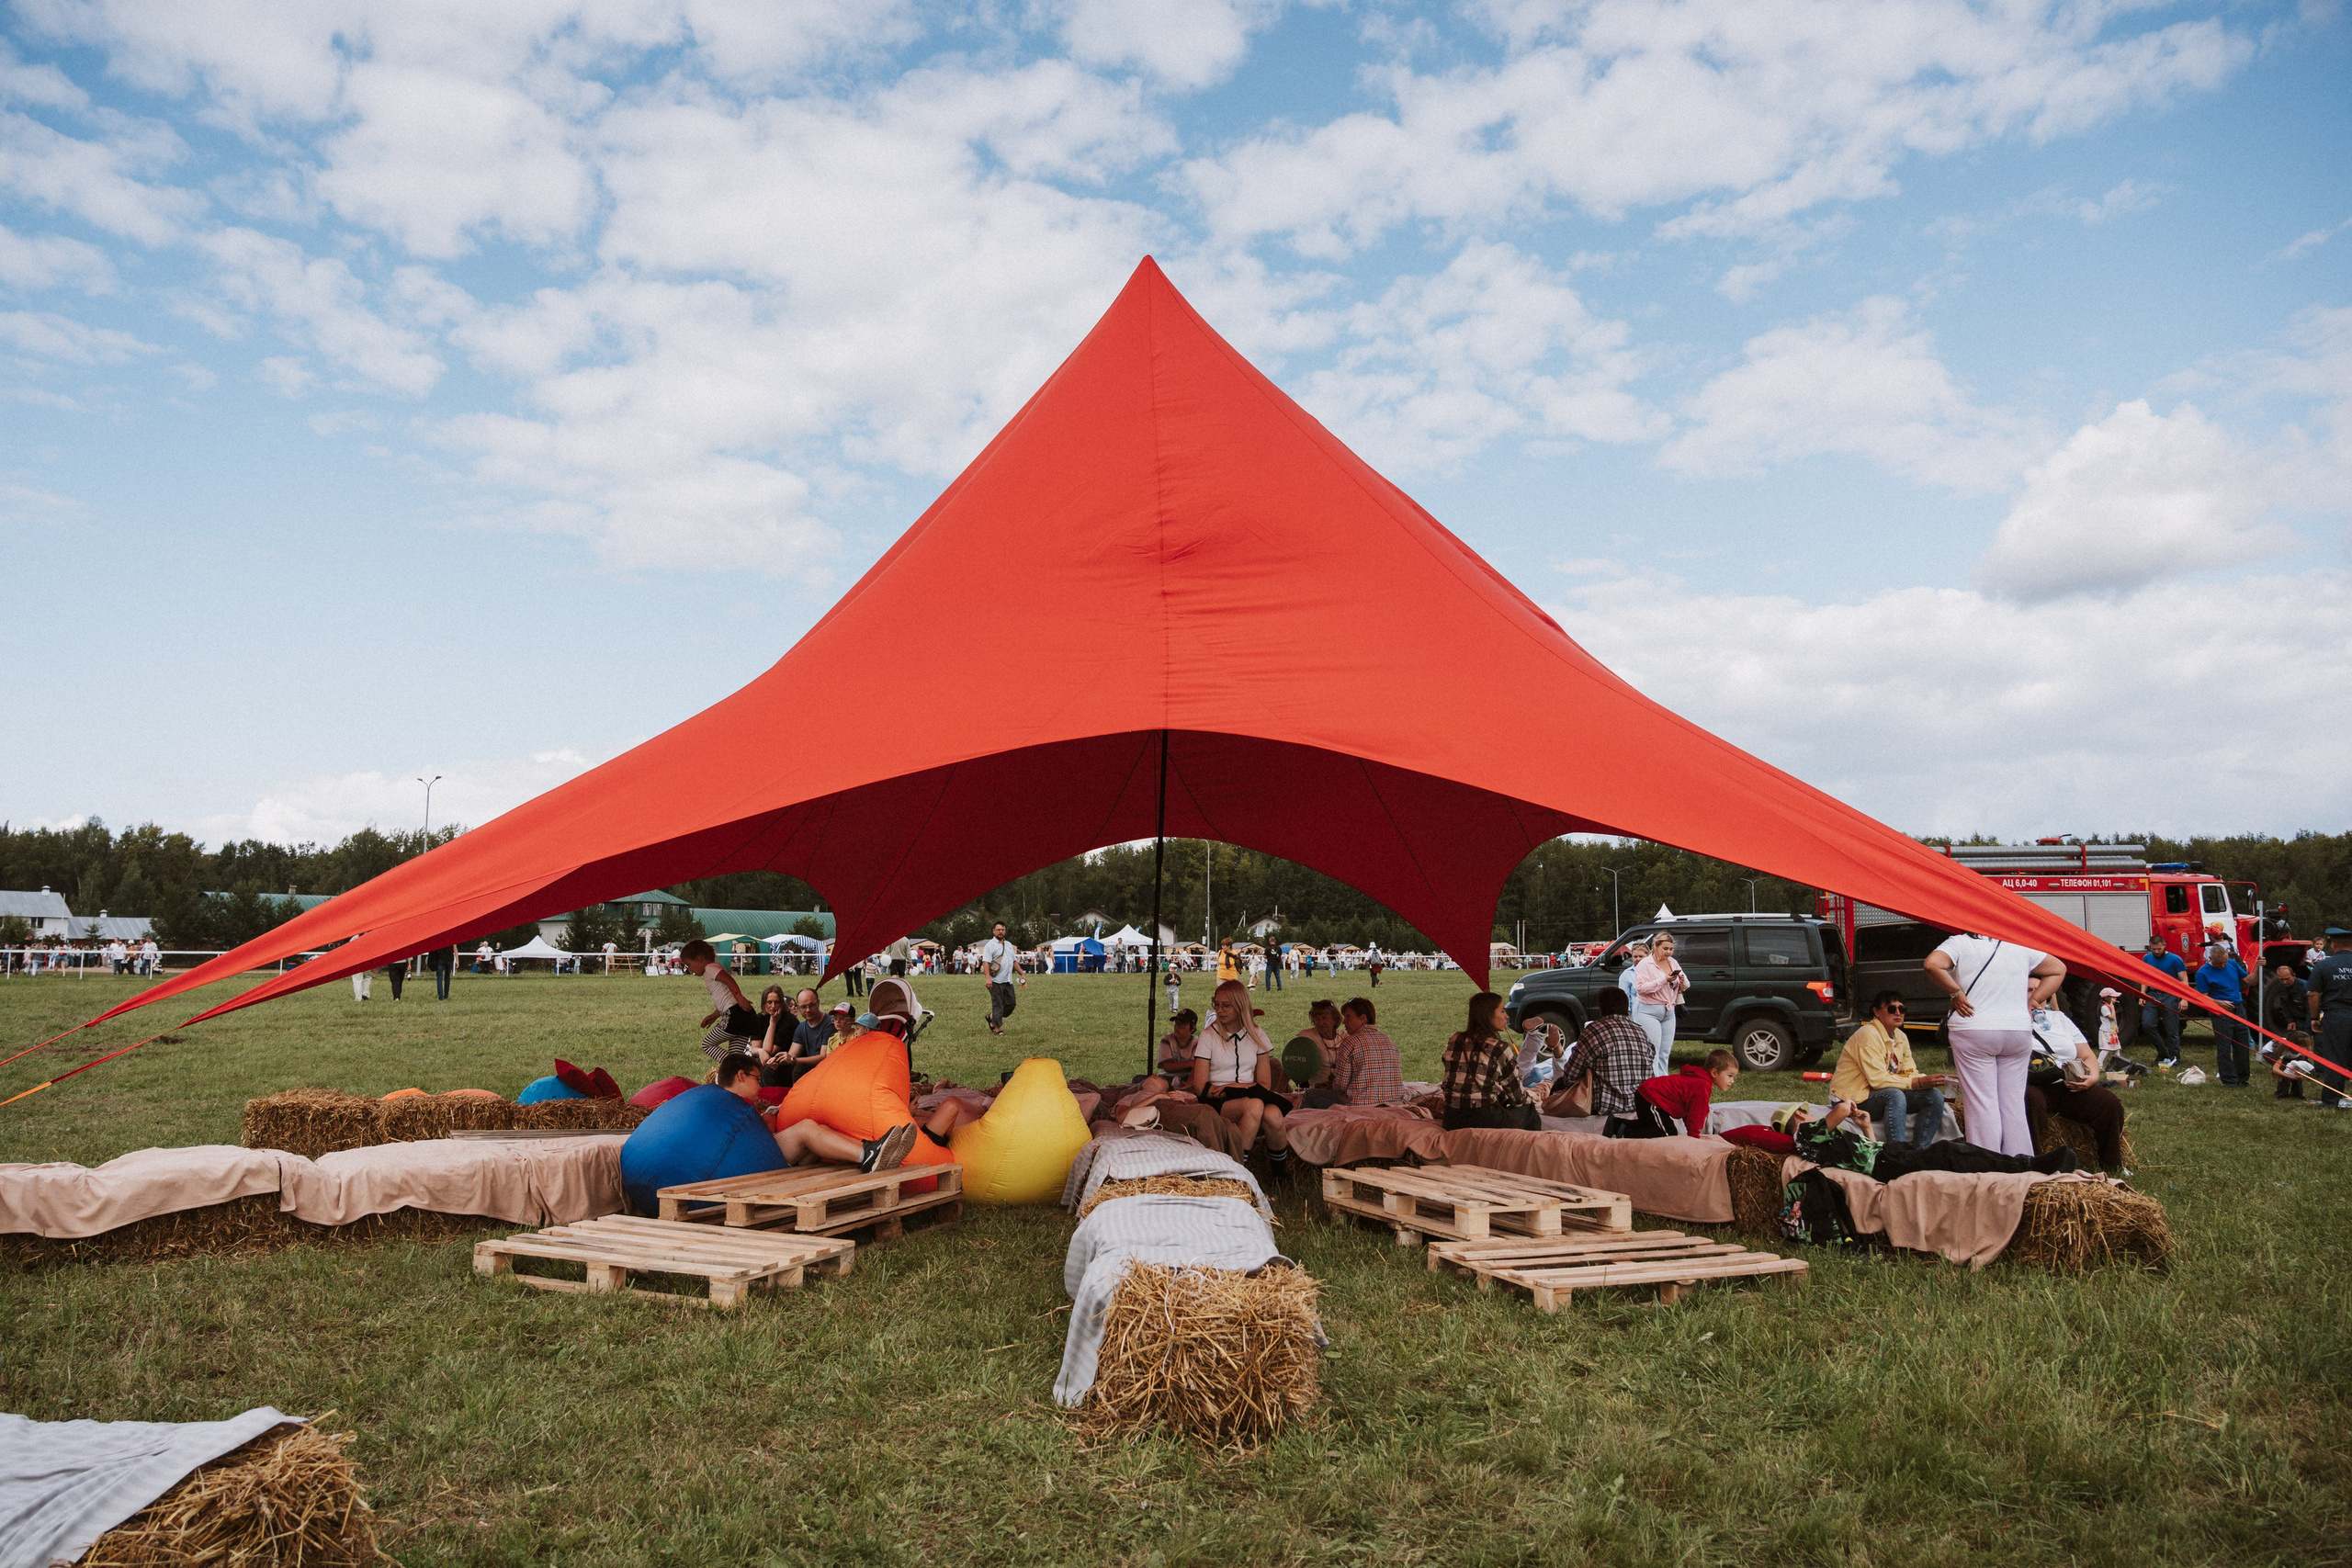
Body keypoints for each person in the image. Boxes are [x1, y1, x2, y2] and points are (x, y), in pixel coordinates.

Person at [1924, 932, 2064, 1157]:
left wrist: (1956, 992)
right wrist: (2034, 1001)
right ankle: (2020, 1163)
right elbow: (2058, 968)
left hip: (1974, 1028)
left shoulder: (1960, 942)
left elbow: (1932, 964)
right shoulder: (2020, 944)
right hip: (2017, 1030)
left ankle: (1989, 1165)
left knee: (1982, 1103)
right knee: (2013, 1103)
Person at [716, 1053, 920, 1173]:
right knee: (806, 1129)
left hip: (761, 1158)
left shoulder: (733, 1103)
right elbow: (756, 1138)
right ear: (741, 1076)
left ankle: (876, 1150)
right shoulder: (730, 1103)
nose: (760, 1085)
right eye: (757, 1079)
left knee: (818, 1129)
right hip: (755, 1163)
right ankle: (867, 1155)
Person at [1782, 1100, 2076, 1180]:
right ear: (1799, 1115)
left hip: (1886, 1156)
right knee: (1949, 1152)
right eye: (1806, 1112)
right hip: (1887, 1164)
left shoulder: (1815, 1141)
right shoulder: (1805, 1134)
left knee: (1954, 1152)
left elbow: (1865, 1152)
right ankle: (2030, 1166)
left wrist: (1866, 1126)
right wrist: (1848, 1104)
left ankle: (2026, 1165)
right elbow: (1842, 1108)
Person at [1186, 978, 1294, 1174]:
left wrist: (1235, 1088)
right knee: (1254, 1105)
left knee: (1274, 1115)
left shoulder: (1257, 1034)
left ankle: (1280, 1176)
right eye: (1216, 1005)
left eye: (1226, 1006)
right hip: (1216, 1101)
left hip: (1247, 1093)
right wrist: (1234, 1090)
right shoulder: (1209, 1036)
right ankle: (1237, 1172)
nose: (1220, 1010)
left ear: (1240, 1006)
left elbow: (1264, 1084)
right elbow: (1201, 1087)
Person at [1829, 990, 1951, 1150]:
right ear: (1877, 1012)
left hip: (1876, 1093)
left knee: (1934, 1095)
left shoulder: (1900, 1036)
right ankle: (1896, 1152)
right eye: (1892, 1009)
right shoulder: (1868, 1034)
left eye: (1902, 1009)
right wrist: (1917, 1082)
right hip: (1851, 1098)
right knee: (1894, 1095)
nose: (1899, 1013)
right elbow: (1878, 1080)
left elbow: (1909, 1071)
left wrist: (1932, 1080)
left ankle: (1920, 1151)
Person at [2024, 1002, 2131, 1172]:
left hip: (2066, 1082)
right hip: (2030, 1083)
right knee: (2029, 1102)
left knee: (2108, 1103)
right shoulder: (2010, 1020)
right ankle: (2034, 1166)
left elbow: (2087, 1054)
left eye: (2041, 990)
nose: (2037, 996)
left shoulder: (2058, 1018)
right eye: (2029, 989)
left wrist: (2093, 1077)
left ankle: (2112, 1166)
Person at [1548, 988, 1651, 1122]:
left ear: (1602, 1009)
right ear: (1627, 1009)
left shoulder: (1594, 1030)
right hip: (1639, 1104)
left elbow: (1570, 1076)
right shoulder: (1641, 1032)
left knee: (1559, 1084)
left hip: (1605, 1107)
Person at [1440, 991, 1537, 1133]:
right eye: (1503, 1011)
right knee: (1529, 1111)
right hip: (1483, 1118)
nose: (1507, 1016)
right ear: (1488, 1014)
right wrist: (1532, 1099)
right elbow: (1518, 1099)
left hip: (1451, 1118)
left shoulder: (1456, 1039)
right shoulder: (1499, 1048)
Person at [1614, 1050, 1740, 1138]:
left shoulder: (1700, 1082)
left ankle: (1616, 1124)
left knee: (1653, 1126)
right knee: (1665, 1134)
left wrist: (1692, 1133)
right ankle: (1622, 1129)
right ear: (1714, 1072)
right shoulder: (1702, 1085)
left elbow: (1690, 1110)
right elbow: (1697, 1112)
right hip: (1651, 1097)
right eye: (1730, 1076)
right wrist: (1694, 1136)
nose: (1732, 1081)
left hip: (1650, 1096)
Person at [1317, 997, 1404, 1108]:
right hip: (1393, 1105)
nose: (1344, 1021)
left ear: (1363, 1018)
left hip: (1359, 1106)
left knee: (1310, 1095)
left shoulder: (1350, 1042)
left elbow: (1340, 1086)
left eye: (1348, 1017)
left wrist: (1330, 1086)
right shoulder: (1389, 1041)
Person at [684, 938, 762, 1061]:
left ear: (698, 959)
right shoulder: (711, 969)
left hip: (736, 1016)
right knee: (736, 1055)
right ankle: (739, 1068)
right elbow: (726, 1000)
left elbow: (729, 980)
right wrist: (714, 1016)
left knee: (707, 1044)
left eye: (689, 964)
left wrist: (739, 996)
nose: (689, 969)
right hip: (745, 1017)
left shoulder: (710, 968)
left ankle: (731, 1066)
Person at [2192, 942, 2252, 1087]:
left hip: (2238, 1008)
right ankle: (2229, 1080)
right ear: (2211, 959)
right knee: (2224, 1047)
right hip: (2221, 1013)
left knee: (2242, 1045)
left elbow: (2250, 980)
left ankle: (2242, 1078)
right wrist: (2219, 1003)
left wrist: (2260, 968)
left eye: (2225, 962)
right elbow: (2202, 997)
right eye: (2220, 963)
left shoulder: (2232, 964)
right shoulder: (2202, 973)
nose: (2223, 965)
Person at [1632, 931, 1689, 1077]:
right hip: (1648, 1011)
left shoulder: (1673, 962)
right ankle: (1653, 1084)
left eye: (1671, 949)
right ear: (1656, 946)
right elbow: (1641, 988)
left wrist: (1681, 981)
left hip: (1669, 1011)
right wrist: (1665, 980)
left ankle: (1663, 1082)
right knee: (1654, 1051)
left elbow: (1686, 985)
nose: (1669, 952)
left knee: (1665, 1051)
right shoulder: (1645, 964)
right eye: (1665, 949)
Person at [2310, 927, 2352, 1111]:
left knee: (2335, 1059)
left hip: (2336, 1016)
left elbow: (2313, 994)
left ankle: (2331, 1101)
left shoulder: (2324, 965)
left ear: (2333, 944)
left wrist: (2314, 1018)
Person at [2261, 963, 2313, 1100]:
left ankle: (2297, 1093)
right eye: (2281, 980)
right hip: (2274, 1050)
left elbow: (2311, 1011)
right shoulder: (2281, 987)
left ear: (2294, 976)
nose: (2284, 982)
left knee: (2299, 1062)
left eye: (2287, 979)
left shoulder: (2305, 987)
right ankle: (2282, 1093)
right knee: (2286, 1067)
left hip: (2305, 1021)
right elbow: (2284, 1005)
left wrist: (2307, 1032)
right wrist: (2290, 1020)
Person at [2138, 937, 2188, 1068]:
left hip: (2170, 996)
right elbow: (2145, 977)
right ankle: (2163, 1052)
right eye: (2153, 949)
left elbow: (2183, 979)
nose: (2156, 951)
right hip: (2153, 995)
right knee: (2147, 1024)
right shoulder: (2147, 959)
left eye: (2159, 949)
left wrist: (2184, 998)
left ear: (2164, 945)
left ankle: (2175, 1059)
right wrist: (2142, 994)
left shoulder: (2175, 959)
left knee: (2172, 1030)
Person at [980, 921, 1021, 1035]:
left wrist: (1021, 973)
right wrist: (988, 979)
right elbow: (986, 963)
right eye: (998, 930)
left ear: (1005, 931)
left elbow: (1014, 961)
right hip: (995, 981)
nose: (1001, 932)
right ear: (994, 931)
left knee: (1011, 1003)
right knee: (998, 1004)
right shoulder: (990, 945)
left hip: (1008, 980)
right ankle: (998, 1029)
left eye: (1003, 929)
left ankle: (992, 1017)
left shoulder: (1008, 944)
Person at [1157, 1007, 1202, 1077]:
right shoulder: (1167, 1040)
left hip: (1188, 1079)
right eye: (1176, 1023)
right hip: (1167, 1078)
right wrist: (1190, 1063)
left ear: (1193, 1028)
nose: (1177, 1027)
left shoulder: (1197, 1044)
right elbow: (1167, 1067)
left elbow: (1197, 1068)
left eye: (1182, 1024)